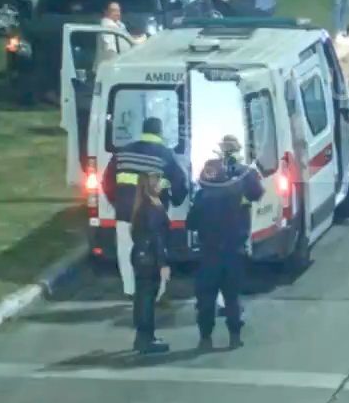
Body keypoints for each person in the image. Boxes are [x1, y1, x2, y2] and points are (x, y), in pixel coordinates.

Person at [186, 135, 264, 350]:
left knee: (206, 297)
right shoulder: (244, 174)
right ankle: (234, 336)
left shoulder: (204, 194)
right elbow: (257, 193)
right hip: (234, 249)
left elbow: (191, 222)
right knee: (232, 296)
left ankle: (205, 338)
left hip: (208, 251)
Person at [102, 117, 188, 297]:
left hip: (125, 212)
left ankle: (129, 289)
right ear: (160, 132)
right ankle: (157, 293)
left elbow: (107, 182)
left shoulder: (123, 153)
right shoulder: (166, 155)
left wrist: (117, 202)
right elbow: (180, 183)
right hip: (153, 214)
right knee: (157, 249)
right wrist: (175, 201)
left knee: (125, 250)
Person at [129, 172, 172, 354]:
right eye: (158, 179)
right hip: (150, 258)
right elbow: (157, 238)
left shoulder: (144, 204)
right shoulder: (152, 207)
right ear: (152, 184)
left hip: (140, 256)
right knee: (147, 299)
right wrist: (163, 264)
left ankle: (143, 337)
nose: (162, 182)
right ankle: (146, 340)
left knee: (142, 298)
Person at [96, 1, 146, 72]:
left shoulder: (119, 25)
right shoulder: (107, 26)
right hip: (108, 69)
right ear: (106, 12)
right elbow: (111, 50)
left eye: (119, 10)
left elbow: (127, 38)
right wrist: (143, 38)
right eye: (114, 11)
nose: (117, 13)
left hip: (118, 67)